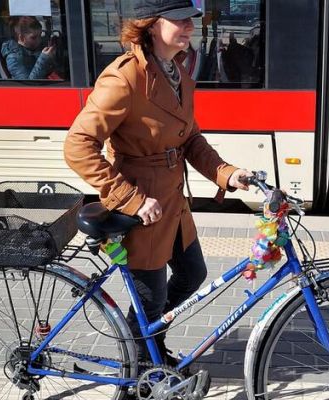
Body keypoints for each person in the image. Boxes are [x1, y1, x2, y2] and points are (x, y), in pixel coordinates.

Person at [64, 0, 252, 368]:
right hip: (142, 207)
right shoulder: (124, 78)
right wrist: (130, 199)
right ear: (151, 25)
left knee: (192, 274)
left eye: (191, 20)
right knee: (151, 299)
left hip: (172, 203)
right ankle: (141, 372)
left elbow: (190, 138)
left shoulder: (175, 71)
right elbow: (77, 146)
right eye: (179, 20)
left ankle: (150, 344)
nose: (188, 27)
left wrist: (227, 173)